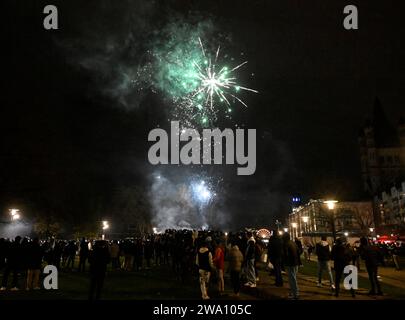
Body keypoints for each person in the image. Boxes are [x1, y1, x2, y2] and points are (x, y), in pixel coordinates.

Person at [282, 232, 301, 299]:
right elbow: (299, 252)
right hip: (295, 263)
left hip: (290, 263)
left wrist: (284, 262)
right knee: (294, 278)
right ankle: (294, 292)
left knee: (292, 279)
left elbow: (285, 255)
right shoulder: (293, 243)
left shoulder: (286, 244)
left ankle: (295, 294)